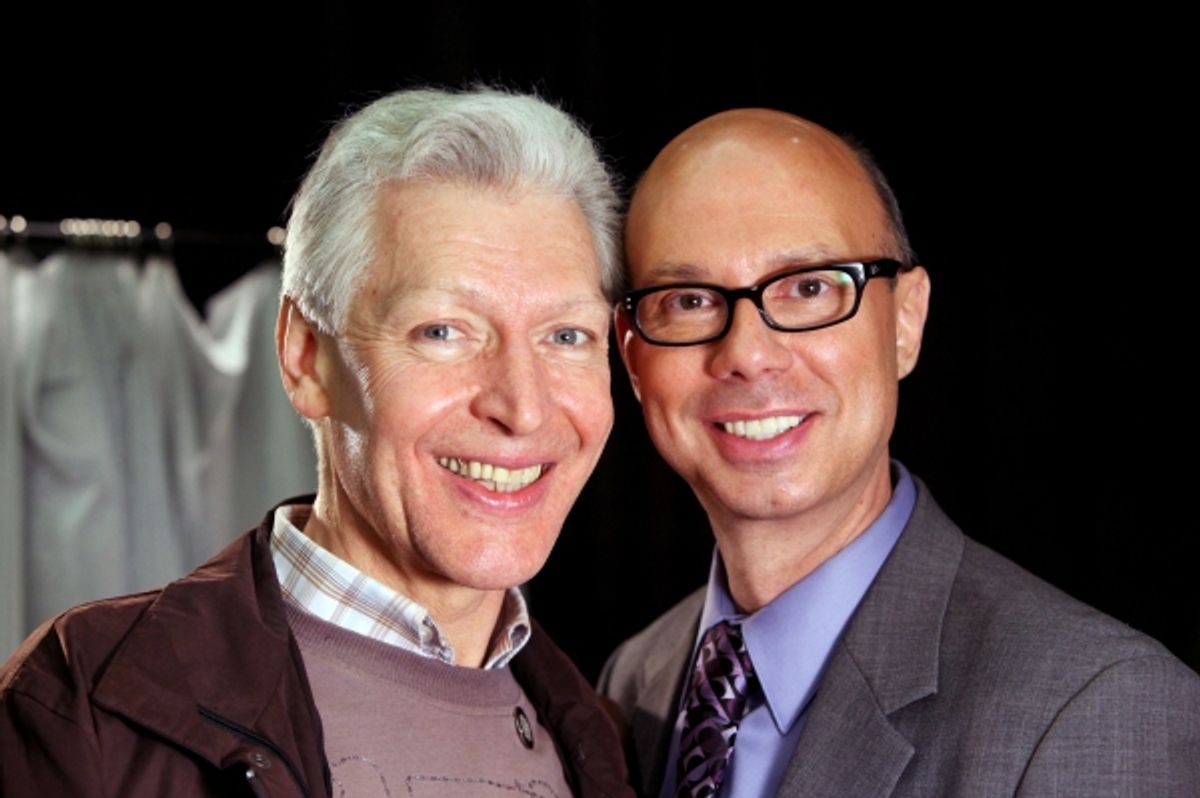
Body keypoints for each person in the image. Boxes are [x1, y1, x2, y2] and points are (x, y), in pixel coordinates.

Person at [1, 87, 633, 797]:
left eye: (566, 336)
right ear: (306, 357)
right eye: (443, 332)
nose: (522, 406)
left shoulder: (607, 741)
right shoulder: (82, 703)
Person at [598, 108, 1200, 797]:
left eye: (810, 287)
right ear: (633, 357)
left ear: (906, 322)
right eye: (690, 299)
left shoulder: (1096, 707)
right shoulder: (635, 679)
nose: (747, 355)